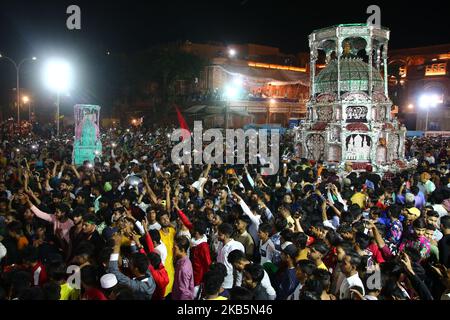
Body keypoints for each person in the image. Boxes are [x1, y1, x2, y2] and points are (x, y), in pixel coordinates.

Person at [108, 232, 156, 300]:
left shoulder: (137, 286)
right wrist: (133, 242)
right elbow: (137, 257)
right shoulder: (147, 272)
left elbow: (113, 270)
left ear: (136, 269)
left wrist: (117, 245)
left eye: (130, 263)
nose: (128, 263)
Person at [217, 223, 245, 290]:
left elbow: (239, 267)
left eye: (220, 235)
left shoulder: (234, 246)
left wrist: (238, 285)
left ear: (226, 235)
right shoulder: (221, 244)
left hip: (229, 283)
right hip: (219, 280)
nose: (217, 236)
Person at [172, 236, 195, 300]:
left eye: (175, 248)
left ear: (182, 250)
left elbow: (184, 292)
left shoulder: (183, 268)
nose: (172, 249)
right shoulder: (184, 260)